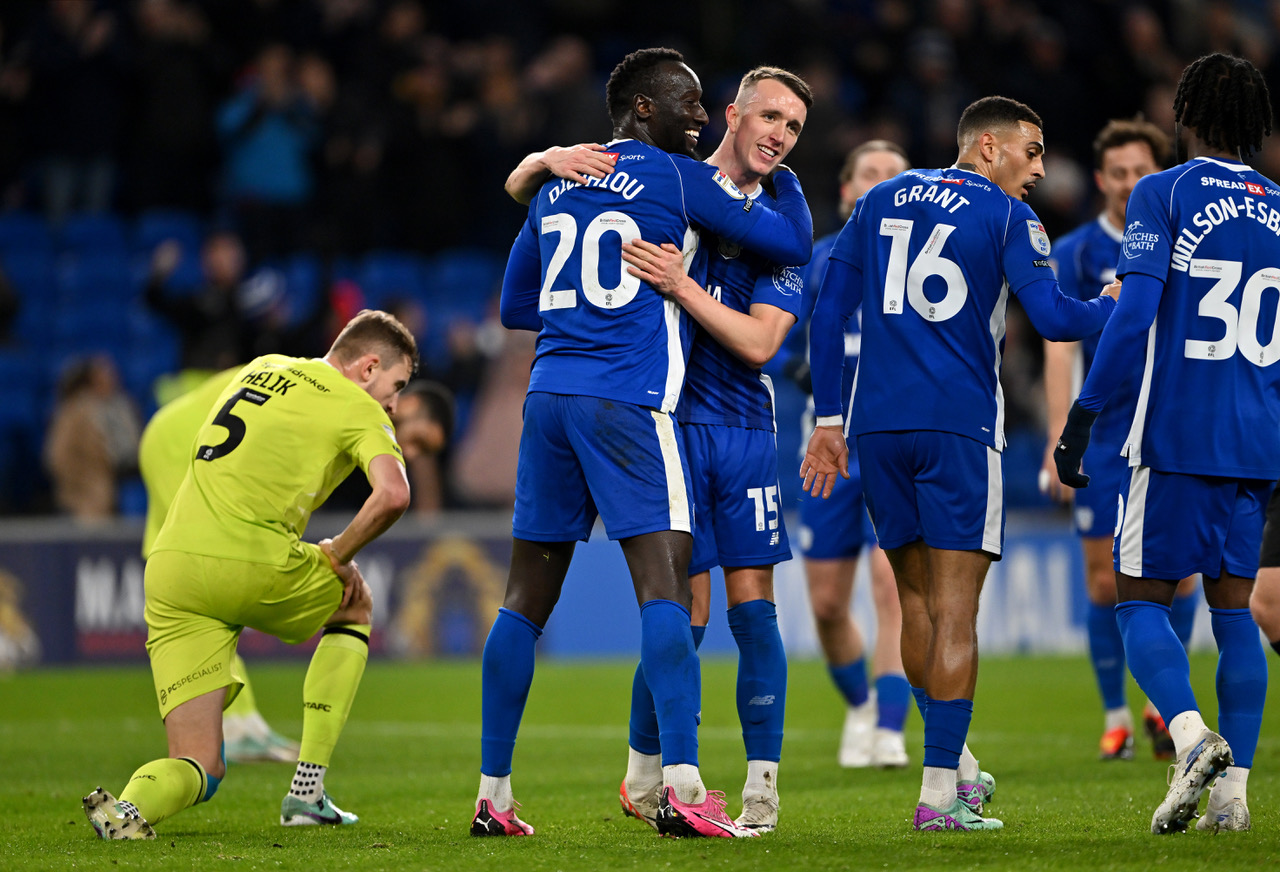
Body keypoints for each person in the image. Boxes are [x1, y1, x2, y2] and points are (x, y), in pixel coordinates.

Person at [477, 47, 811, 840]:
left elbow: (515, 305)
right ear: (645, 110)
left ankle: (493, 795)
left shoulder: (560, 182)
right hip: (628, 404)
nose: (702, 116)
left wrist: (535, 171)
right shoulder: (674, 178)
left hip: (549, 396)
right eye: (690, 103)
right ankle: (684, 787)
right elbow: (791, 246)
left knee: (524, 600)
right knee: (667, 592)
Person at [803, 96, 1117, 832]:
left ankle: (959, 768)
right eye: (1031, 151)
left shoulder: (880, 199)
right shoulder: (1009, 219)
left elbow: (826, 310)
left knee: (915, 605)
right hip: (959, 429)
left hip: (876, 429)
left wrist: (826, 419)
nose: (1039, 169)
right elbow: (1057, 320)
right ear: (986, 148)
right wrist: (1116, 300)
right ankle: (940, 795)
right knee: (955, 611)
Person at [82, 310, 418, 840]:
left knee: (201, 765)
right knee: (354, 602)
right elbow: (394, 494)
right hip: (250, 558)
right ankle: (308, 793)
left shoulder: (260, 368)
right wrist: (339, 552)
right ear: (368, 366)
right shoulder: (355, 403)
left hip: (172, 570)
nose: (395, 404)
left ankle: (127, 808)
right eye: (396, 386)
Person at [1054, 53, 1274, 835]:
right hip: (1259, 442)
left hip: (1178, 433)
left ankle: (1187, 735)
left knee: (1138, 600)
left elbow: (1134, 313)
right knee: (1234, 613)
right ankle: (1234, 798)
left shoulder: (1164, 191)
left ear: (1185, 115)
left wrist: (1084, 413)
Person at [137, 368, 454, 763]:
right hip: (187, 438)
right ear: (408, 403)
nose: (411, 452)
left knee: (196, 561)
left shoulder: (319, 379)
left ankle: (235, 722)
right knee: (217, 567)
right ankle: (236, 725)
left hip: (177, 431)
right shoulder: (348, 403)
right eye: (419, 440)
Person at [1039, 118, 1197, 762]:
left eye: (1141, 171)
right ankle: (1116, 717)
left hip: (1164, 424)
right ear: (1102, 179)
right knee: (1104, 582)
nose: (1130, 183)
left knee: (1177, 578)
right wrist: (1057, 429)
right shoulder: (1077, 250)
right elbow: (1058, 349)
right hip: (1103, 436)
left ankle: (1165, 710)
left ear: (1156, 174)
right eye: (1119, 173)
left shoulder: (1182, 240)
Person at [789, 141, 913, 770]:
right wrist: (806, 369)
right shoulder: (815, 262)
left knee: (892, 592)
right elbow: (778, 339)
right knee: (828, 606)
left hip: (895, 447)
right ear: (846, 192)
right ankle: (861, 706)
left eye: (897, 175)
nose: (884, 183)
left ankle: (891, 726)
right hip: (829, 453)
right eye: (871, 174)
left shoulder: (925, 263)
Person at [44, 354, 142, 521]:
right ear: (90, 379)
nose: (110, 377)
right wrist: (80, 485)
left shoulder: (123, 406)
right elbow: (57, 456)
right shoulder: (74, 411)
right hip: (88, 493)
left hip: (126, 483)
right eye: (103, 374)